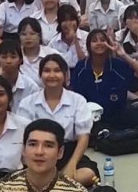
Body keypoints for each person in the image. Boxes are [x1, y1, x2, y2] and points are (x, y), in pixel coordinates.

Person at [16, 54, 97, 183]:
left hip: (68, 152)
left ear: (66, 75)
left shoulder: (77, 100)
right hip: (39, 153)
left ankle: (51, 182)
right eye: (47, 71)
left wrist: (72, 164)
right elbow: (22, 138)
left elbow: (83, 137)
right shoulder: (27, 103)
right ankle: (60, 183)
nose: (52, 75)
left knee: (88, 174)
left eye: (57, 70)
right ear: (40, 75)